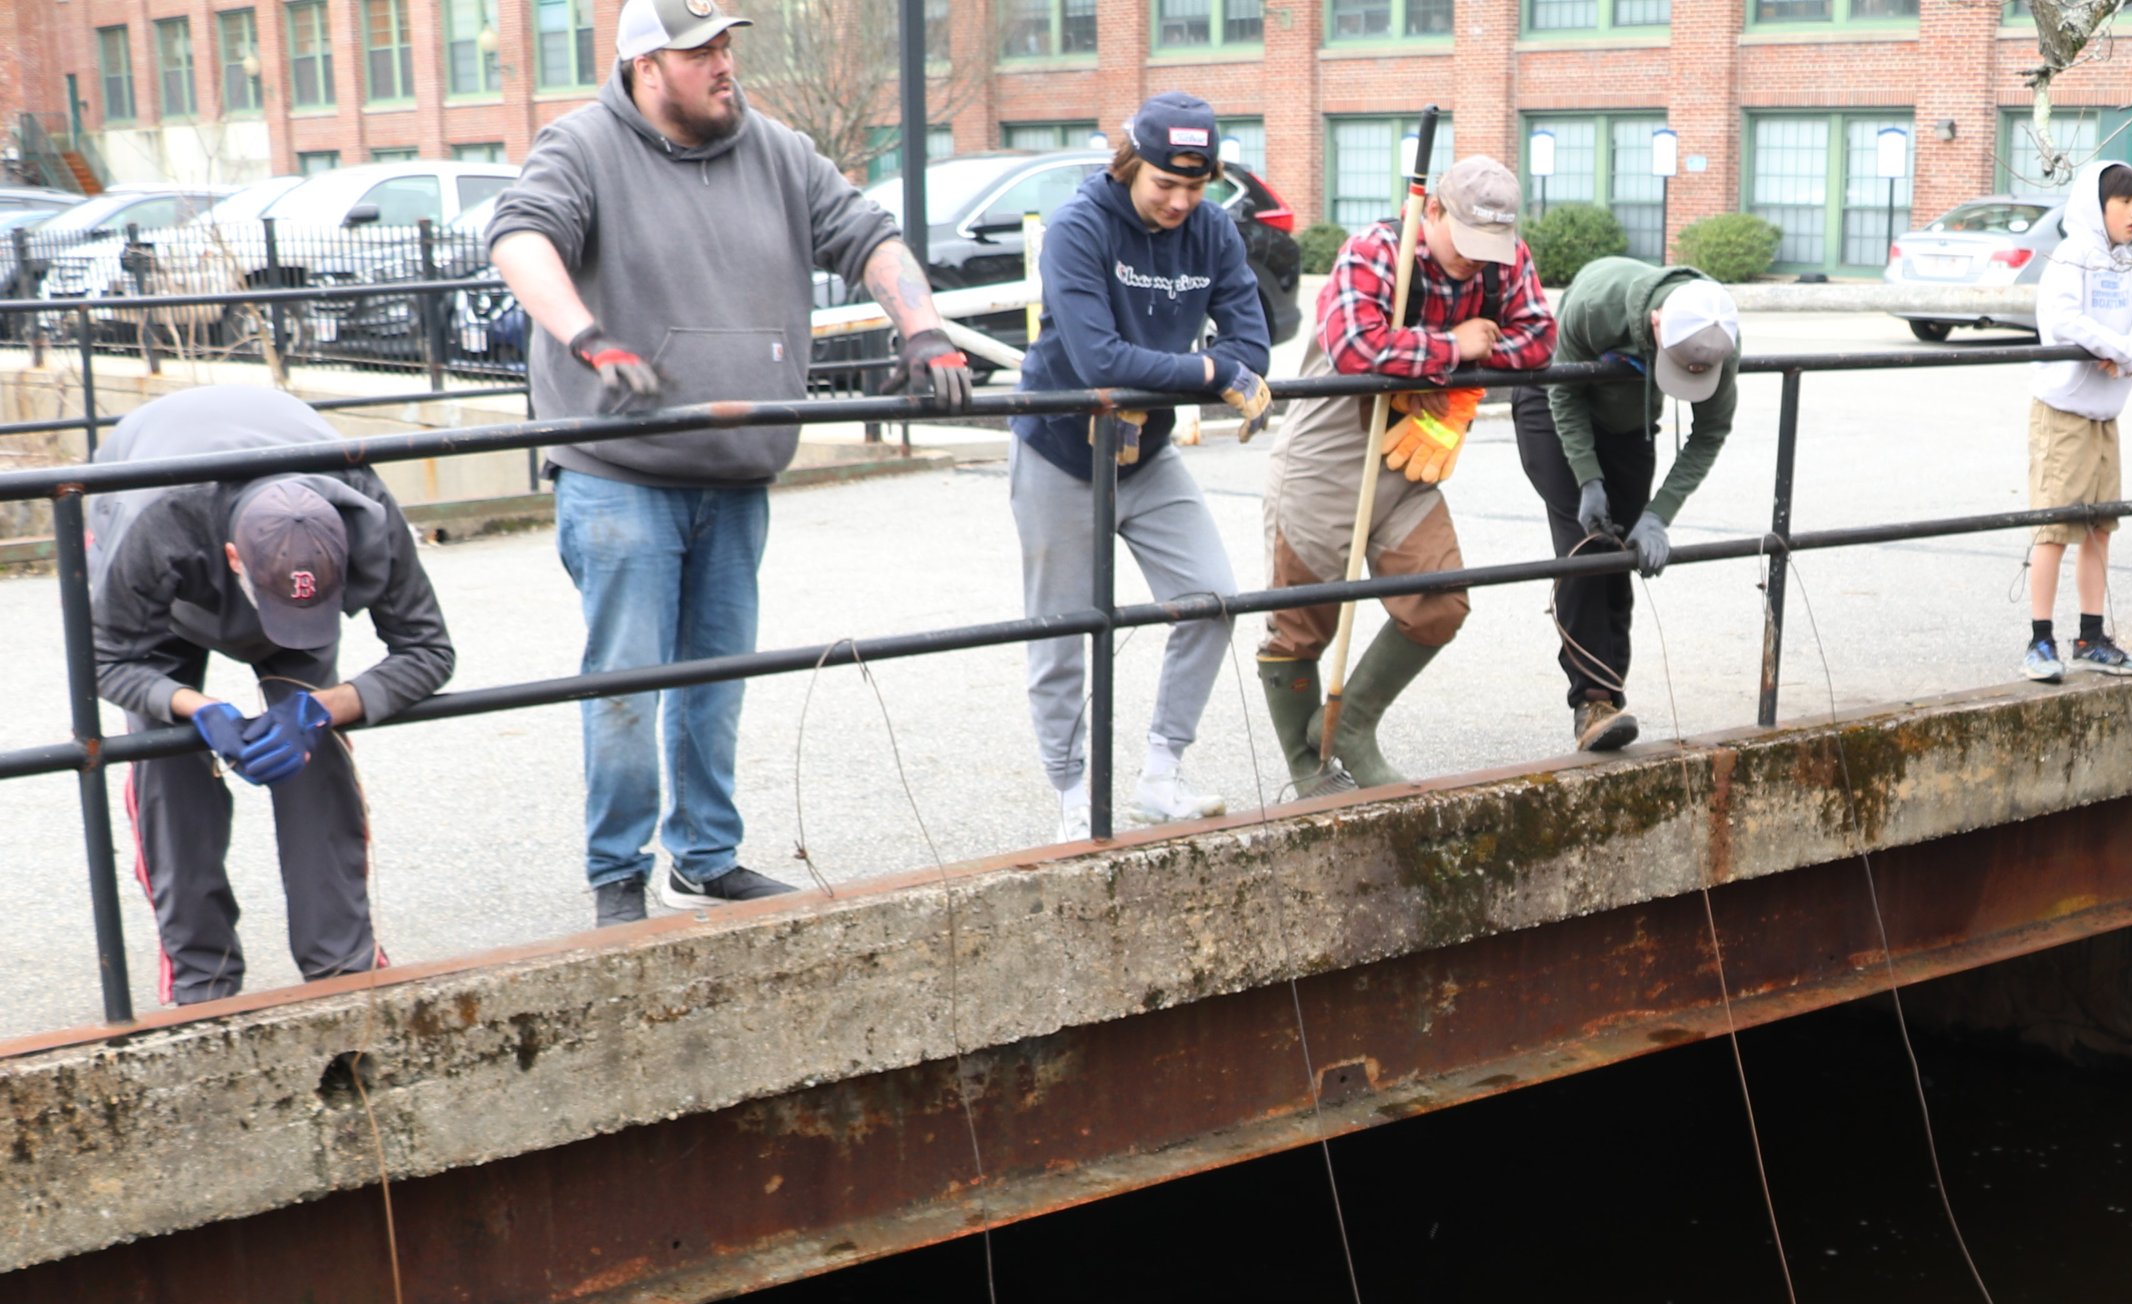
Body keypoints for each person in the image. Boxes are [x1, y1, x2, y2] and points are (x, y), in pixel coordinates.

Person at [487, 0, 971, 929]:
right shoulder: (581, 147)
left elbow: (870, 237)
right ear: (643, 67)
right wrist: (588, 338)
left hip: (738, 471)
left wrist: (925, 331)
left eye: (724, 46)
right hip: (620, 469)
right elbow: (520, 239)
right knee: (627, 681)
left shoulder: (779, 153)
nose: (722, 65)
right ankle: (616, 874)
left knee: (718, 678)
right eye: (697, 50)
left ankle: (704, 858)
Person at [89, 382, 454, 1006]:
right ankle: (201, 979)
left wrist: (320, 709)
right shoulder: (157, 518)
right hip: (167, 577)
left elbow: (429, 650)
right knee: (165, 758)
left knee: (315, 755)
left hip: (266, 527)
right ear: (234, 559)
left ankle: (343, 966)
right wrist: (194, 709)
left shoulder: (366, 508)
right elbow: (104, 658)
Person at [1010, 94, 1272, 837]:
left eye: (1196, 187)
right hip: (1061, 446)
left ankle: (1161, 773)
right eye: (1166, 185)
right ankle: (1072, 797)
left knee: (1213, 597)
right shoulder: (1079, 226)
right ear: (1130, 165)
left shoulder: (1213, 230)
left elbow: (1253, 349)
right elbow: (1101, 362)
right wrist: (1210, 373)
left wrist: (1216, 369)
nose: (1181, 202)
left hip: (1146, 451)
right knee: (1063, 632)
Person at [1256, 156, 1554, 795]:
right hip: (1327, 455)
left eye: (1491, 248)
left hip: (1409, 453)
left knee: (1440, 602)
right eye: (1467, 243)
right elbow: (1354, 348)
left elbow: (1539, 339)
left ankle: (1350, 730)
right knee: (1301, 623)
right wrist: (1455, 347)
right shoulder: (1374, 250)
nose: (1479, 261)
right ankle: (1309, 774)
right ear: (1434, 211)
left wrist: (1479, 349)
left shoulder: (1506, 260)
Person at [1517, 265, 1741, 752]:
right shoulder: (1596, 307)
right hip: (1557, 403)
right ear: (1657, 323)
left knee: (1620, 554)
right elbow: (1564, 392)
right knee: (1585, 551)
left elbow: (1709, 432)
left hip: (1629, 420)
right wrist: (1588, 479)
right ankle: (1591, 701)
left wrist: (1658, 514)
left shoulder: (1719, 331)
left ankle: (1609, 700)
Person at [2023, 158, 2132, 684]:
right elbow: (2062, 321)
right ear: (2096, 205)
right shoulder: (2072, 256)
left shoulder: (2123, 263)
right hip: (2063, 413)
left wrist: (2127, 355)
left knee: (2100, 530)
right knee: (2054, 529)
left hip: (2106, 415)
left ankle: (2091, 637)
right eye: (2123, 202)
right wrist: (2118, 347)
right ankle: (2039, 640)